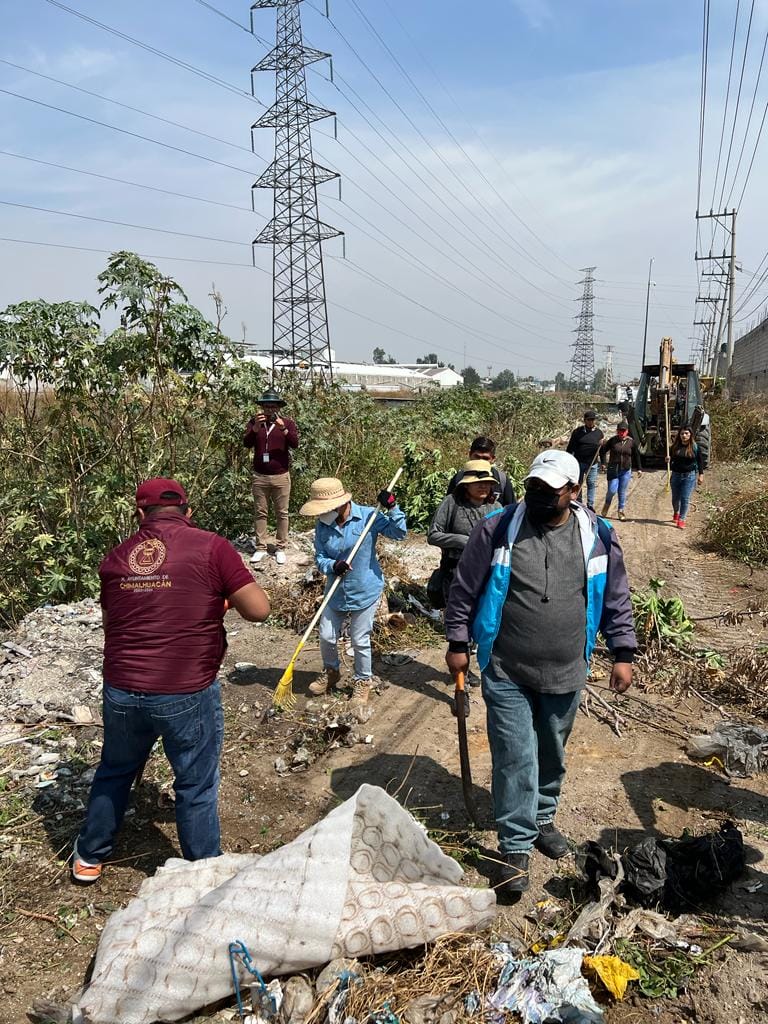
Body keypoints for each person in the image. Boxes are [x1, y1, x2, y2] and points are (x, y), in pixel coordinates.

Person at [444, 450, 636, 894]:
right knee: (514, 753)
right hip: (506, 665)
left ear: (572, 491)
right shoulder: (497, 529)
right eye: (533, 486)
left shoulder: (598, 536)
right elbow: (465, 589)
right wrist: (457, 641)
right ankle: (515, 846)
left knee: (552, 748)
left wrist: (622, 651)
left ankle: (543, 816)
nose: (537, 495)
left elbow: (615, 599)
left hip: (568, 668)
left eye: (549, 490)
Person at [72, 478, 270, 884]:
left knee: (116, 768)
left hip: (123, 688)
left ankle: (90, 855)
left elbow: (113, 626)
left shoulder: (115, 558)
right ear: (188, 512)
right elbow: (260, 610)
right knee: (195, 782)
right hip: (186, 688)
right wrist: (221, 599)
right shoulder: (212, 547)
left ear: (139, 514)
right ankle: (204, 872)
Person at [300, 477, 407, 699]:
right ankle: (331, 671)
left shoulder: (369, 516)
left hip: (365, 588)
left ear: (341, 503)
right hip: (336, 591)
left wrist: (393, 506)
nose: (323, 513)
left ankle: (362, 680)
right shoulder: (323, 524)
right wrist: (332, 565)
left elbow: (399, 533)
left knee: (359, 640)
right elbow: (319, 557)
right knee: (327, 636)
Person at [428, 460, 503, 604]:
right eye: (478, 483)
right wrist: (462, 541)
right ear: (466, 485)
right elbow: (433, 535)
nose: (483, 486)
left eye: (487, 483)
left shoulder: (496, 508)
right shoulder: (452, 502)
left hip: (487, 572)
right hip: (455, 571)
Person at [243, 389, 299, 566]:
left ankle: (281, 547)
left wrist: (282, 428)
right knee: (260, 512)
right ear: (261, 408)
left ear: (278, 408)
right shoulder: (254, 423)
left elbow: (295, 444)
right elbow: (246, 444)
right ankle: (261, 548)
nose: (269, 410)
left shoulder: (287, 423)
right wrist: (254, 429)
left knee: (282, 513)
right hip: (260, 476)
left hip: (281, 476)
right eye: (266, 407)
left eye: (272, 407)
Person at [446, 436, 515, 506]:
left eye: (485, 458)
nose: (480, 462)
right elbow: (449, 507)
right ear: (470, 455)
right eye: (477, 457)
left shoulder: (502, 480)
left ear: (493, 459)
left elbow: (511, 510)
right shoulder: (459, 478)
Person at [599, 420, 641, 521]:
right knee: (612, 490)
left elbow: (636, 455)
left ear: (627, 431)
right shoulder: (613, 441)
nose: (622, 433)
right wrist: (604, 463)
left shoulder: (631, 442)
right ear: (617, 431)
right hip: (613, 469)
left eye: (624, 431)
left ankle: (621, 511)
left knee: (622, 491)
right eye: (620, 431)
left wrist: (639, 468)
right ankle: (607, 504)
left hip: (626, 470)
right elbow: (603, 451)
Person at [566, 410, 604, 511]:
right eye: (589, 420)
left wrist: (603, 462)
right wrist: (568, 461)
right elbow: (570, 448)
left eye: (593, 420)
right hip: (579, 463)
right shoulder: (577, 432)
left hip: (593, 464)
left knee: (591, 484)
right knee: (578, 484)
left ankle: (590, 505)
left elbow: (602, 451)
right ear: (585, 420)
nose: (591, 422)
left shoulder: (599, 433)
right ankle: (578, 503)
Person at [670, 425, 704, 529]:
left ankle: (682, 519)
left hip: (689, 477)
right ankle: (676, 512)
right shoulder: (674, 447)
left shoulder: (695, 447)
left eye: (686, 433)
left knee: (685, 498)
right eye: (682, 434)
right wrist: (667, 460)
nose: (684, 436)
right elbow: (671, 462)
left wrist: (701, 475)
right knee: (675, 499)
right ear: (679, 435)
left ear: (690, 435)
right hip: (676, 475)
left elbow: (700, 461)